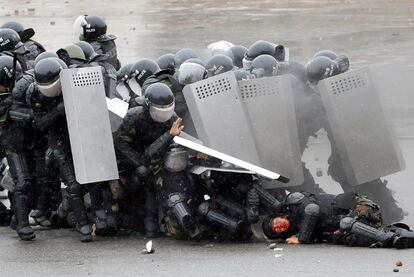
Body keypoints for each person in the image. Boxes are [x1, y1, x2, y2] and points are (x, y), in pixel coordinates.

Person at [28, 58, 93, 242]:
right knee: (72, 183)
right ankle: (83, 224)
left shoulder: (76, 83)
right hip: (58, 140)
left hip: (79, 136)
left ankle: (93, 218)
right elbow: (39, 124)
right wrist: (59, 110)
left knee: (92, 180)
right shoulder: (36, 93)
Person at [113, 83, 183, 237]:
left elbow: (154, 152)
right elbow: (120, 143)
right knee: (133, 183)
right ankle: (128, 216)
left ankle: (153, 222)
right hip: (129, 158)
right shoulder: (134, 116)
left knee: (156, 184)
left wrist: (168, 137)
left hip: (154, 157)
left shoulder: (172, 120)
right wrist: (136, 162)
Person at [262, 191, 414, 249]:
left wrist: (302, 238)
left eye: (276, 223)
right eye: (278, 230)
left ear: (278, 216)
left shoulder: (294, 201)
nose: (280, 226)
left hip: (359, 205)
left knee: (345, 223)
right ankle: (400, 235)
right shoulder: (296, 229)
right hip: (355, 223)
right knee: (351, 239)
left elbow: (312, 210)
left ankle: (390, 238)